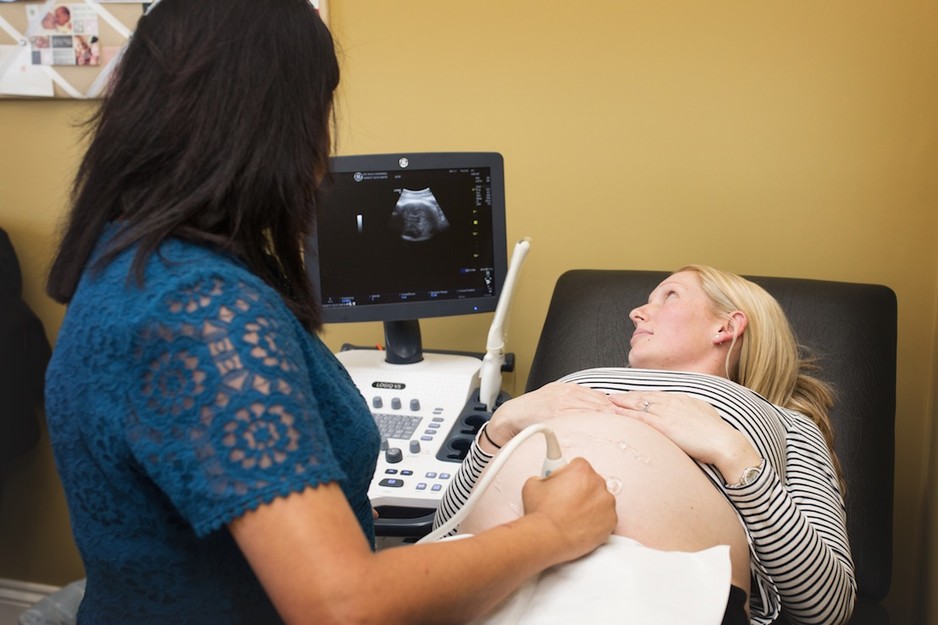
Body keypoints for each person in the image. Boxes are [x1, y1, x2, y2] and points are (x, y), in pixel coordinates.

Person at [42, 1, 617, 624]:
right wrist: (551, 532)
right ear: (278, 124)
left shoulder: (130, 257)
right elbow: (340, 604)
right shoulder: (200, 311)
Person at [434, 265, 857, 625]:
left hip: (657, 592)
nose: (636, 312)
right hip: (487, 578)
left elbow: (828, 605)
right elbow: (443, 528)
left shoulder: (786, 422)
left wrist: (730, 451)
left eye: (668, 296)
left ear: (726, 326)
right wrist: (501, 426)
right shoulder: (563, 387)